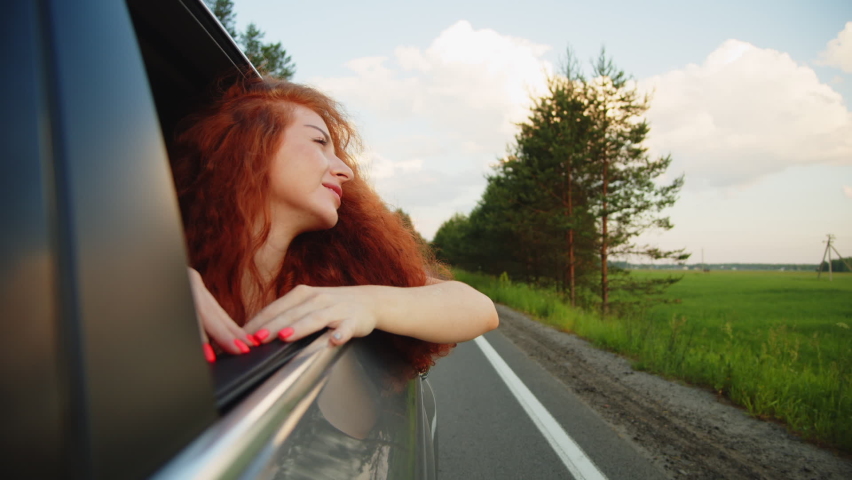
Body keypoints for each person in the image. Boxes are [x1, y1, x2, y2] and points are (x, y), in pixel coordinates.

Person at [171, 76, 498, 374]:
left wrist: (368, 303)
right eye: (319, 142)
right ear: (248, 148)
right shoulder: (156, 269)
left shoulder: (334, 274)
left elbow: (479, 308)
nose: (346, 171)